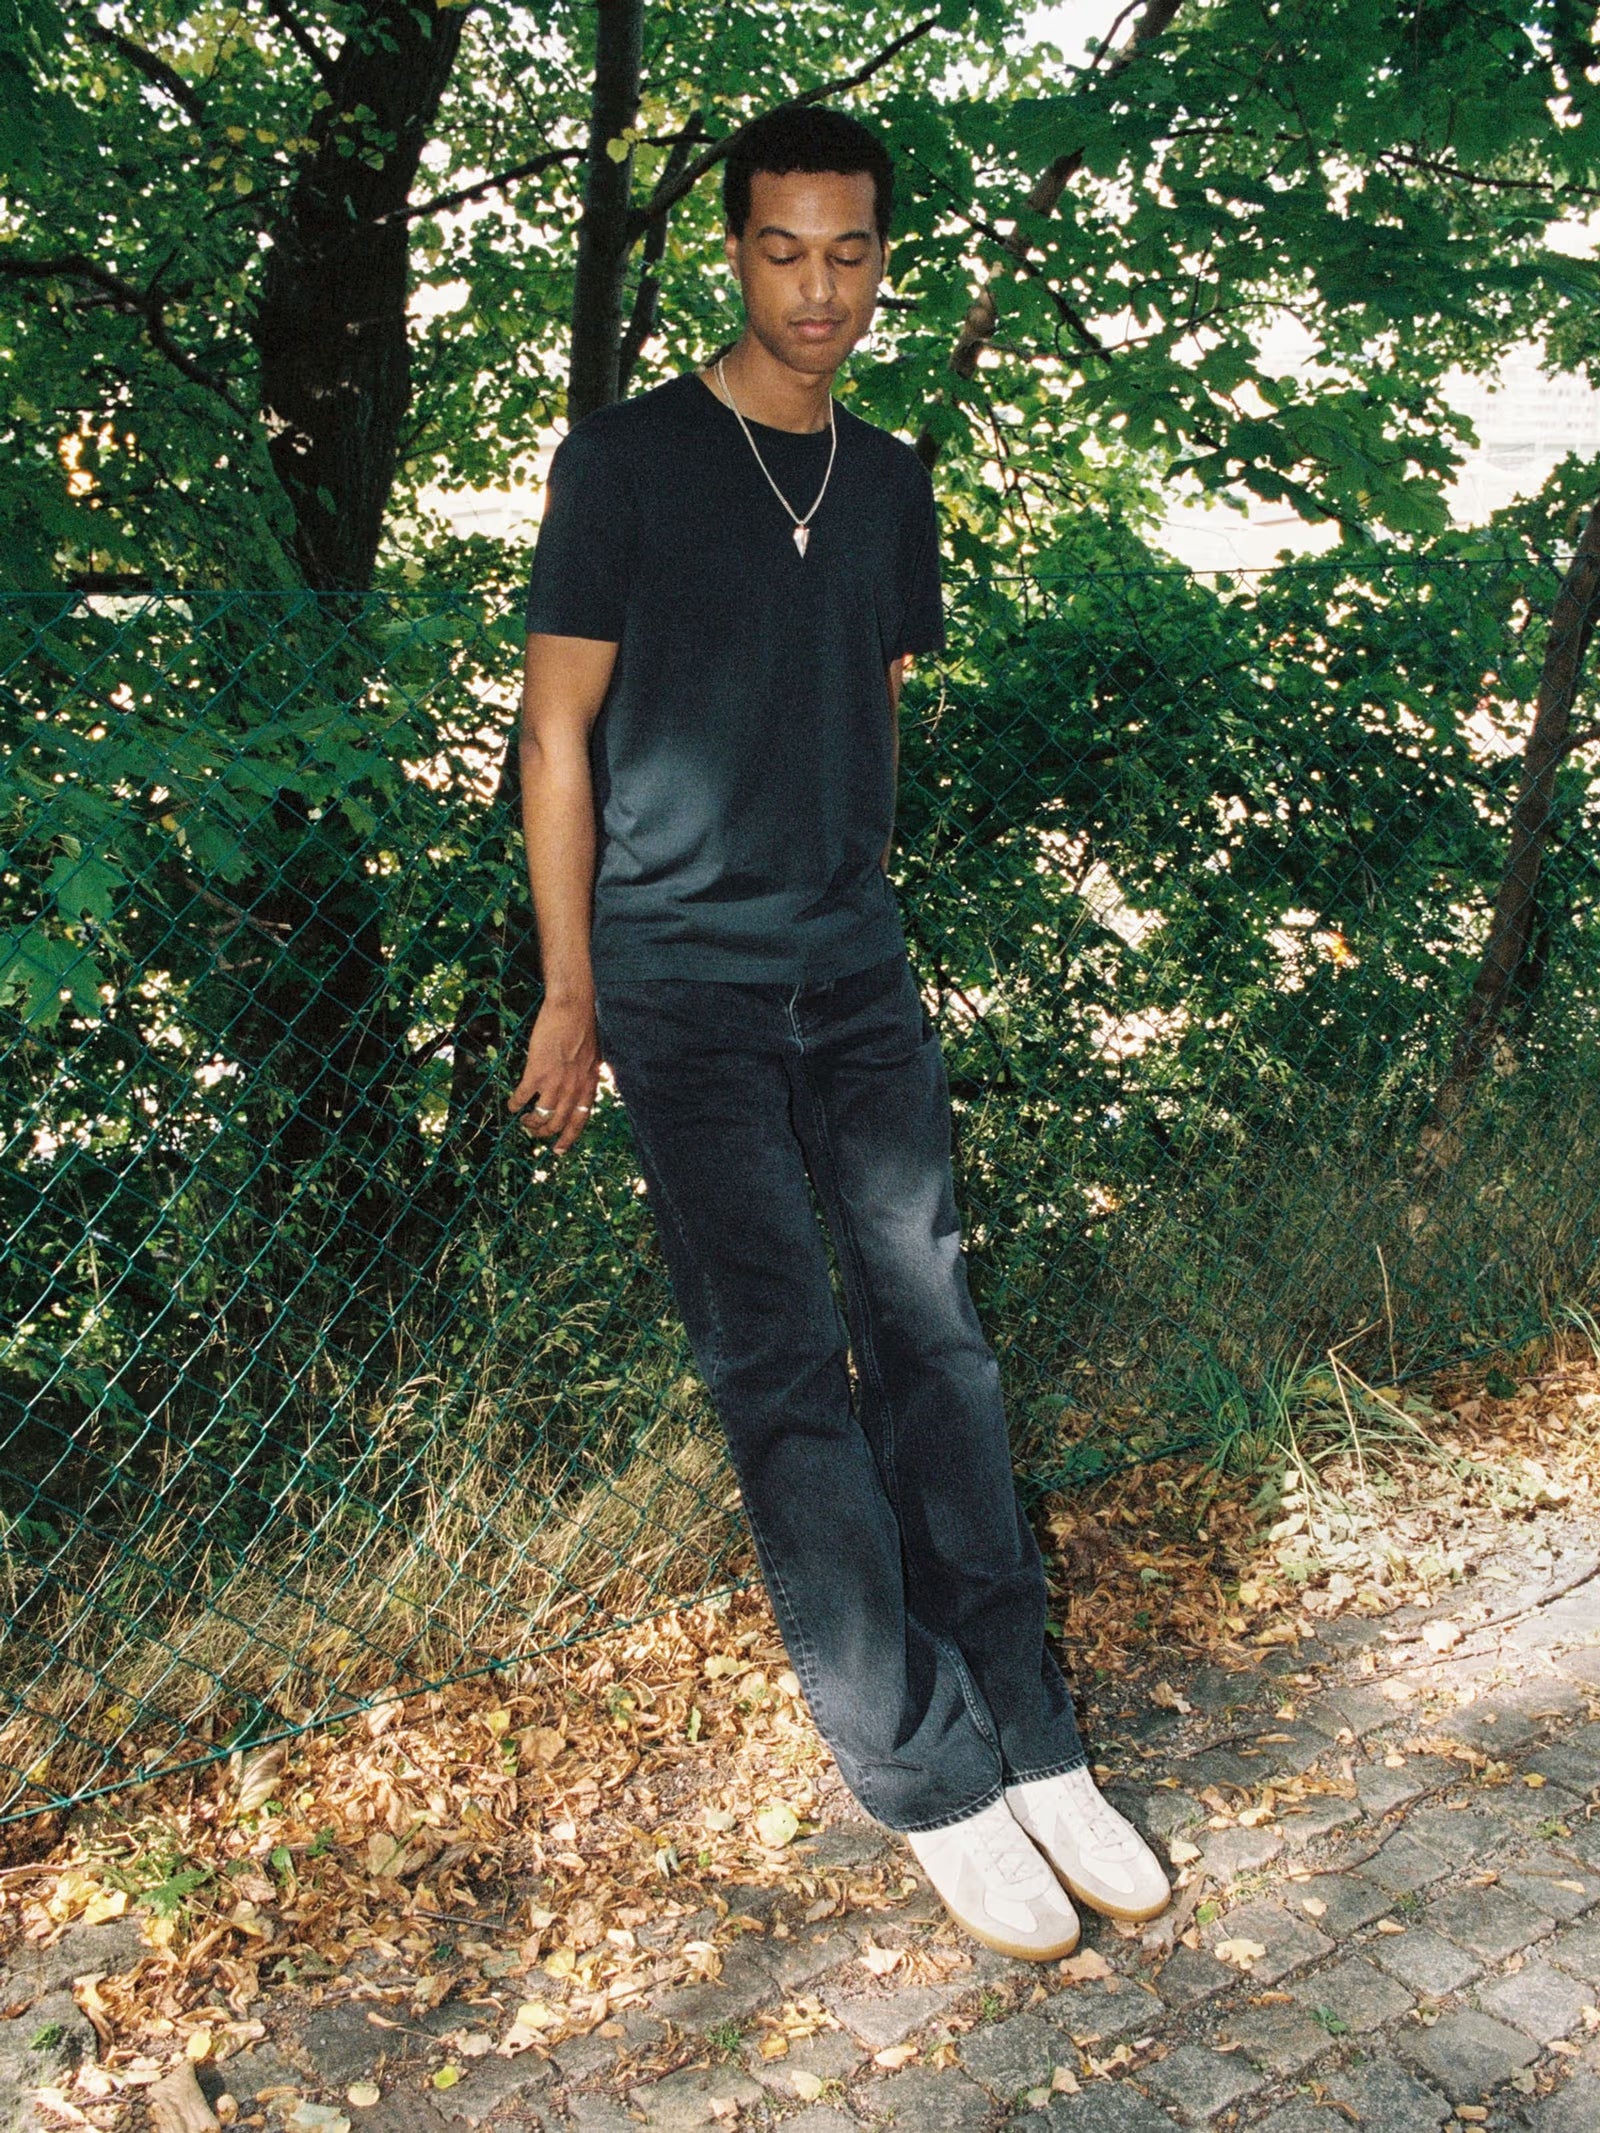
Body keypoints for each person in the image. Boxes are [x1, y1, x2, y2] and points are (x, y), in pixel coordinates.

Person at [509, 103, 1171, 1960]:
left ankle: (1033, 1735)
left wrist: (842, 886)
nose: (819, 289)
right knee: (788, 1367)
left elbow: (868, 693)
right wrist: (574, 990)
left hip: (855, 973)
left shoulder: (887, 478)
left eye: (851, 253)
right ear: (733, 252)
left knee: (937, 1338)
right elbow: (556, 736)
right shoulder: (626, 463)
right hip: (679, 986)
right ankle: (923, 1772)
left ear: (885, 255)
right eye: (783, 251)